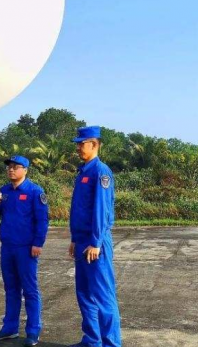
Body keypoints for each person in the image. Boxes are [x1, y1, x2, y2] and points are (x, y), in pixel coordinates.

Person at [0, 155, 49, 347]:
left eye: (15, 167)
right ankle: (10, 328)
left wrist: (38, 243)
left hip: (26, 248)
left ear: (26, 170)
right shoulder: (4, 191)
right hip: (8, 247)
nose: (11, 170)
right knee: (11, 289)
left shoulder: (34, 191)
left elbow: (42, 220)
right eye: (9, 167)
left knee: (30, 290)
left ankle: (33, 331)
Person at [68, 126, 121, 347]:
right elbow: (79, 209)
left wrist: (96, 242)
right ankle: (92, 341)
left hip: (94, 242)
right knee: (85, 294)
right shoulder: (83, 172)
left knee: (103, 295)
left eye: (82, 143)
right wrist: (74, 238)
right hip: (82, 241)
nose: (79, 147)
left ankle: (111, 344)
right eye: (78, 143)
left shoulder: (101, 172)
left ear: (95, 144)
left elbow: (101, 210)